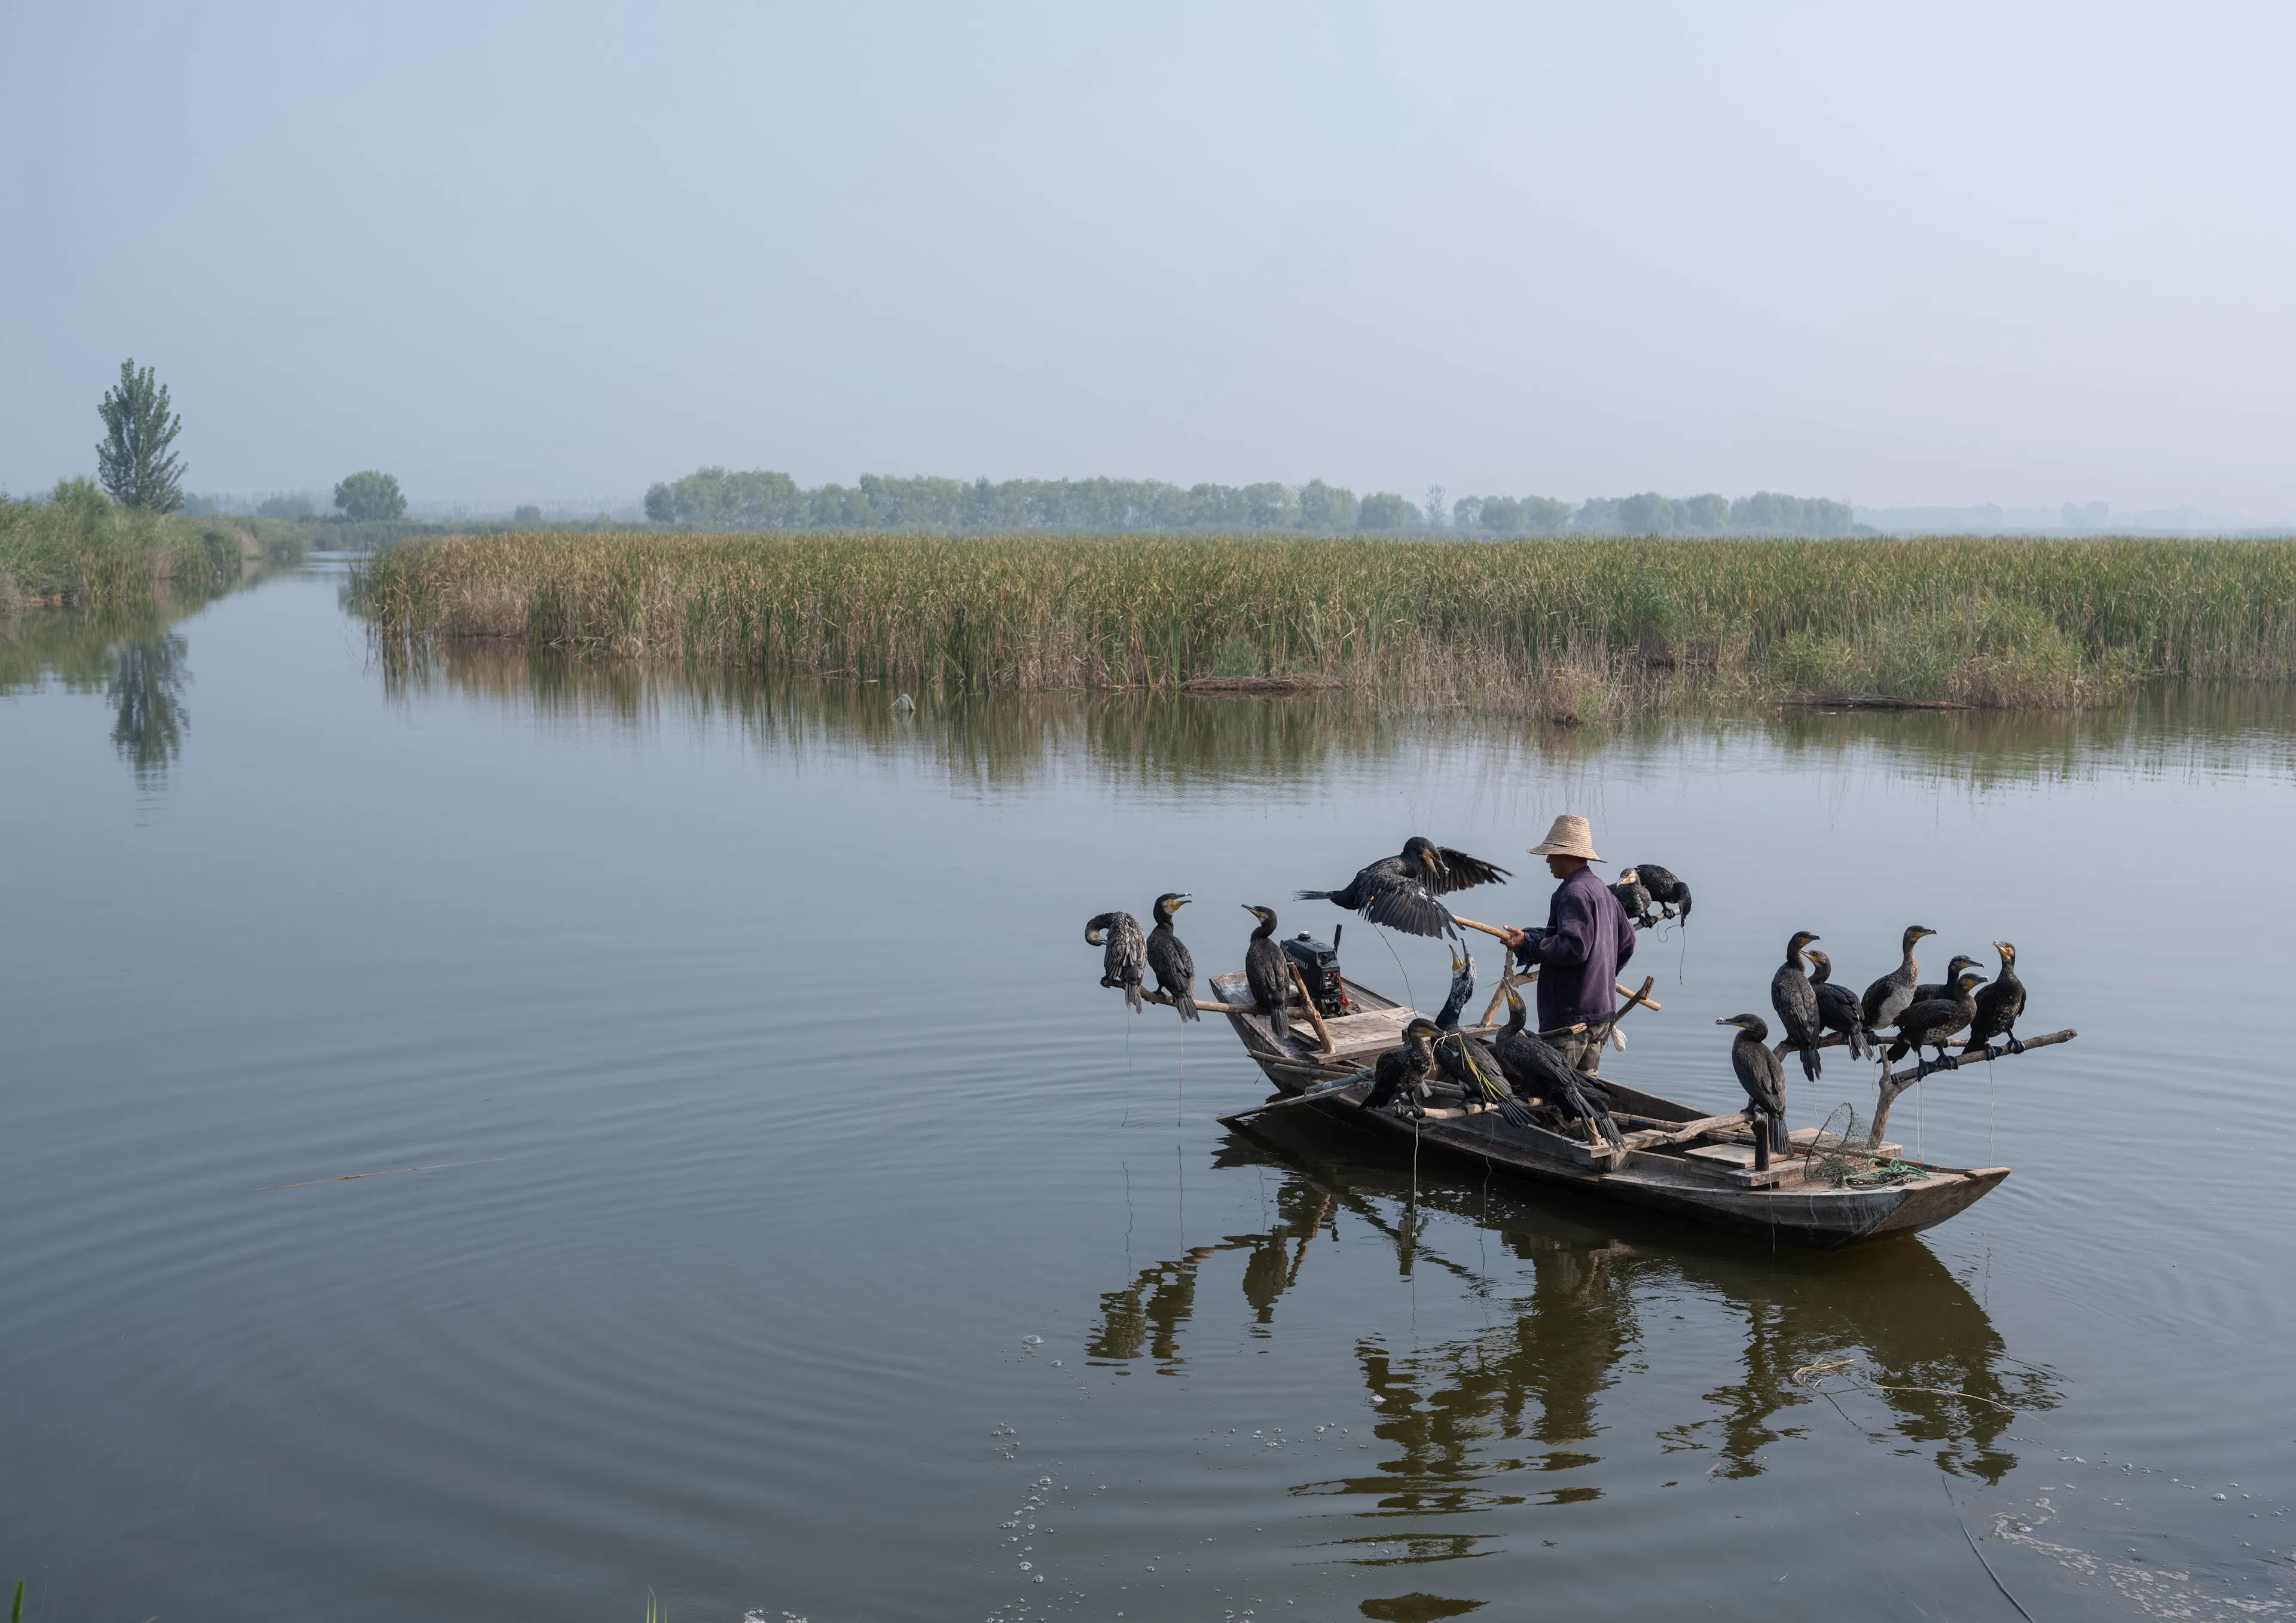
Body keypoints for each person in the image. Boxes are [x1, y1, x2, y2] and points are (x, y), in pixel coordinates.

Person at [1499, 814, 1634, 1074]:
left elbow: (1574, 947)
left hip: (1571, 1018)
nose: (1548, 860)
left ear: (1568, 856)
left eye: (1551, 854)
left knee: (1557, 1091)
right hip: (1601, 1014)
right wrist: (1601, 976)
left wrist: (1530, 943)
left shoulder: (1572, 893)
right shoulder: (1604, 891)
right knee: (1585, 1090)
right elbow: (1627, 942)